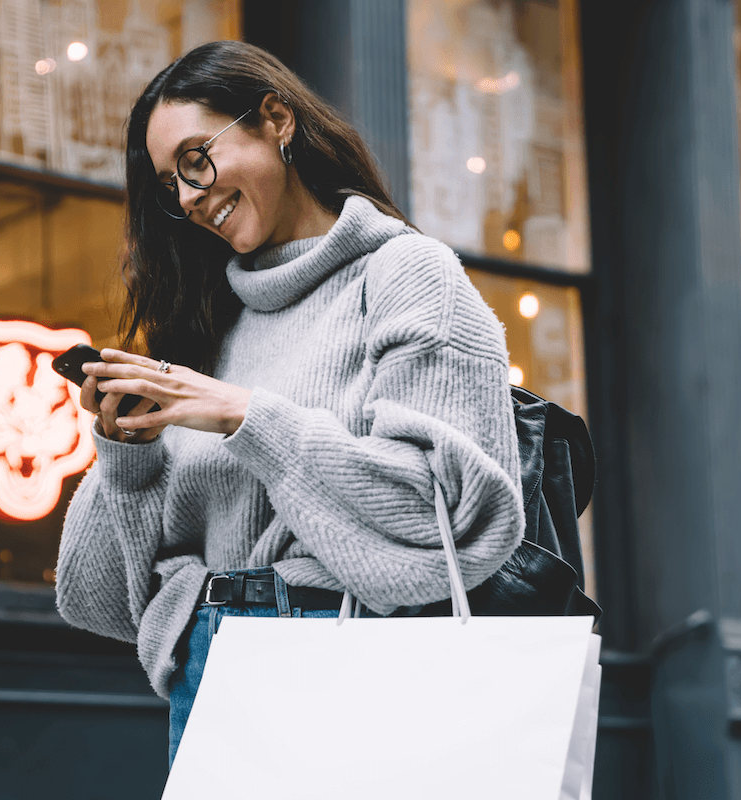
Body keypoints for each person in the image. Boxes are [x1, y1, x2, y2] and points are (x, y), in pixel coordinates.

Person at [53, 40, 525, 764]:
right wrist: (129, 459)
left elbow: (449, 521)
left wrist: (247, 418)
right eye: (168, 184)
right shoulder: (206, 325)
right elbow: (94, 597)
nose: (187, 196)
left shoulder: (405, 274)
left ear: (276, 120)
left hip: (354, 670)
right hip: (212, 677)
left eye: (195, 159)